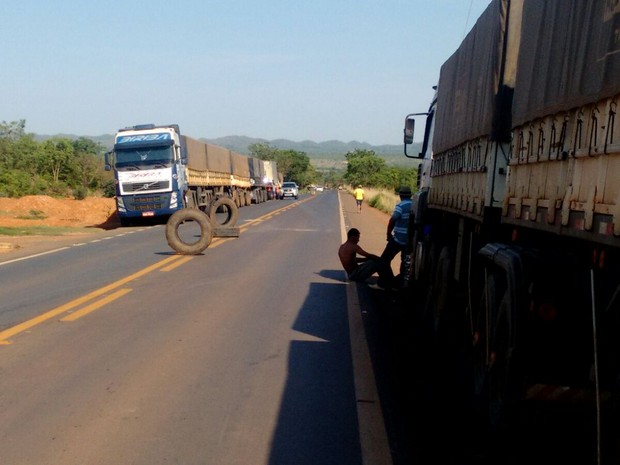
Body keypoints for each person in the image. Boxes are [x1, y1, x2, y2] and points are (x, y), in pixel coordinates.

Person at [380, 186, 413, 286]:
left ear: (400, 195)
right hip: (410, 240)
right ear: (410, 195)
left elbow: (393, 220)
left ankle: (387, 282)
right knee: (405, 262)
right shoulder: (415, 205)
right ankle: (401, 282)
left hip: (398, 240)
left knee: (384, 260)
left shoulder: (401, 206)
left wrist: (388, 234)